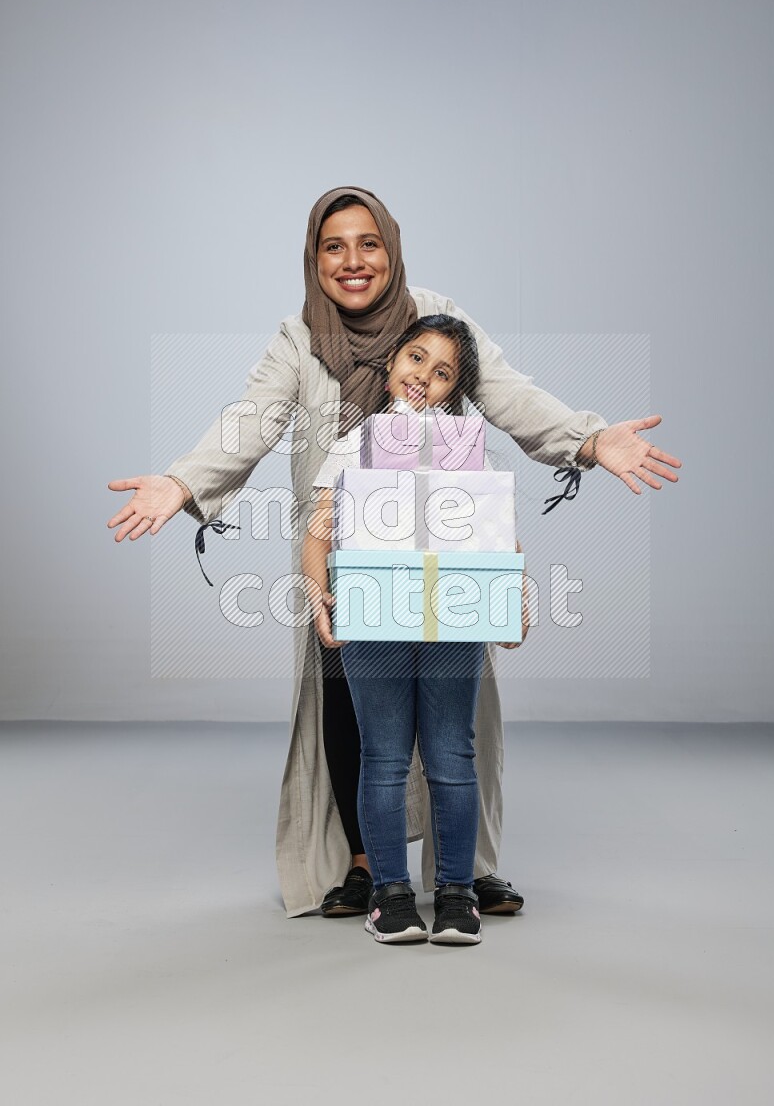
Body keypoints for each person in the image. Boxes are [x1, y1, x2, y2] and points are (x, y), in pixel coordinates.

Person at [107, 186, 681, 919]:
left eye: (368, 243)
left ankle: (463, 871)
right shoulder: (298, 340)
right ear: (314, 258)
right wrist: (184, 480)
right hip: (347, 561)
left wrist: (590, 437)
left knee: (458, 718)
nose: (353, 261)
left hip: (449, 557)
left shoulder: (437, 319)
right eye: (334, 246)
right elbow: (245, 423)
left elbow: (507, 394)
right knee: (348, 706)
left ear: (392, 249)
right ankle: (364, 868)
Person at [303, 313, 531, 944]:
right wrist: (322, 597)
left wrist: (513, 597)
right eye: (415, 358)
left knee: (452, 754)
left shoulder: (470, 444)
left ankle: (458, 894)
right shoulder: (354, 443)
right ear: (392, 364)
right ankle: (390, 895)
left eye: (442, 372)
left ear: (455, 391)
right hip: (374, 612)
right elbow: (319, 531)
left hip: (453, 611)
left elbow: (496, 531)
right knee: (383, 756)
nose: (424, 377)